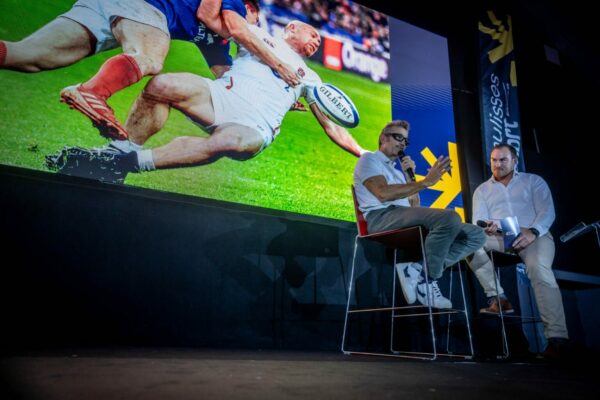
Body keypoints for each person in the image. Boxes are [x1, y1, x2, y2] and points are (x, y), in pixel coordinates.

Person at [46, 20, 364, 181]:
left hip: (254, 125)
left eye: (319, 41)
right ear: (291, 28)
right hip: (219, 97)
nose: (317, 41)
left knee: (230, 140)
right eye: (314, 35)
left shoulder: (311, 78)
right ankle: (120, 152)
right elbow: (218, 25)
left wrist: (362, 152)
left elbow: (334, 126)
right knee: (162, 84)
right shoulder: (257, 36)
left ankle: (125, 163)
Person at [0, 0, 299, 140]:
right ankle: (91, 91)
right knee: (151, 57)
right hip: (145, 6)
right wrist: (279, 65)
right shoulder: (231, 10)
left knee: (27, 56)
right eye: (253, 19)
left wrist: (275, 96)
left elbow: (226, 75)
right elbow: (212, 16)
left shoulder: (216, 43)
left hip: (109, 5)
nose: (251, 27)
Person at [353, 120, 486, 309]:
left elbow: (415, 205)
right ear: (383, 137)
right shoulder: (369, 159)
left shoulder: (398, 173)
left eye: (406, 141)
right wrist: (426, 182)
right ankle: (427, 282)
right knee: (450, 217)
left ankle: (419, 271)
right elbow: (382, 193)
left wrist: (409, 176)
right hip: (380, 217)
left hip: (400, 215)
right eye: (398, 137)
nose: (402, 144)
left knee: (476, 235)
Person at [468, 143, 569, 358]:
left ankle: (557, 339)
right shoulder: (482, 190)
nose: (498, 164)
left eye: (503, 160)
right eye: (494, 160)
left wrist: (533, 231)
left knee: (539, 270)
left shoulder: (533, 181)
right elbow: (478, 220)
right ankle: (498, 298)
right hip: (499, 236)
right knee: (468, 240)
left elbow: (547, 212)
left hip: (533, 235)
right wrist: (489, 225)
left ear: (514, 161)